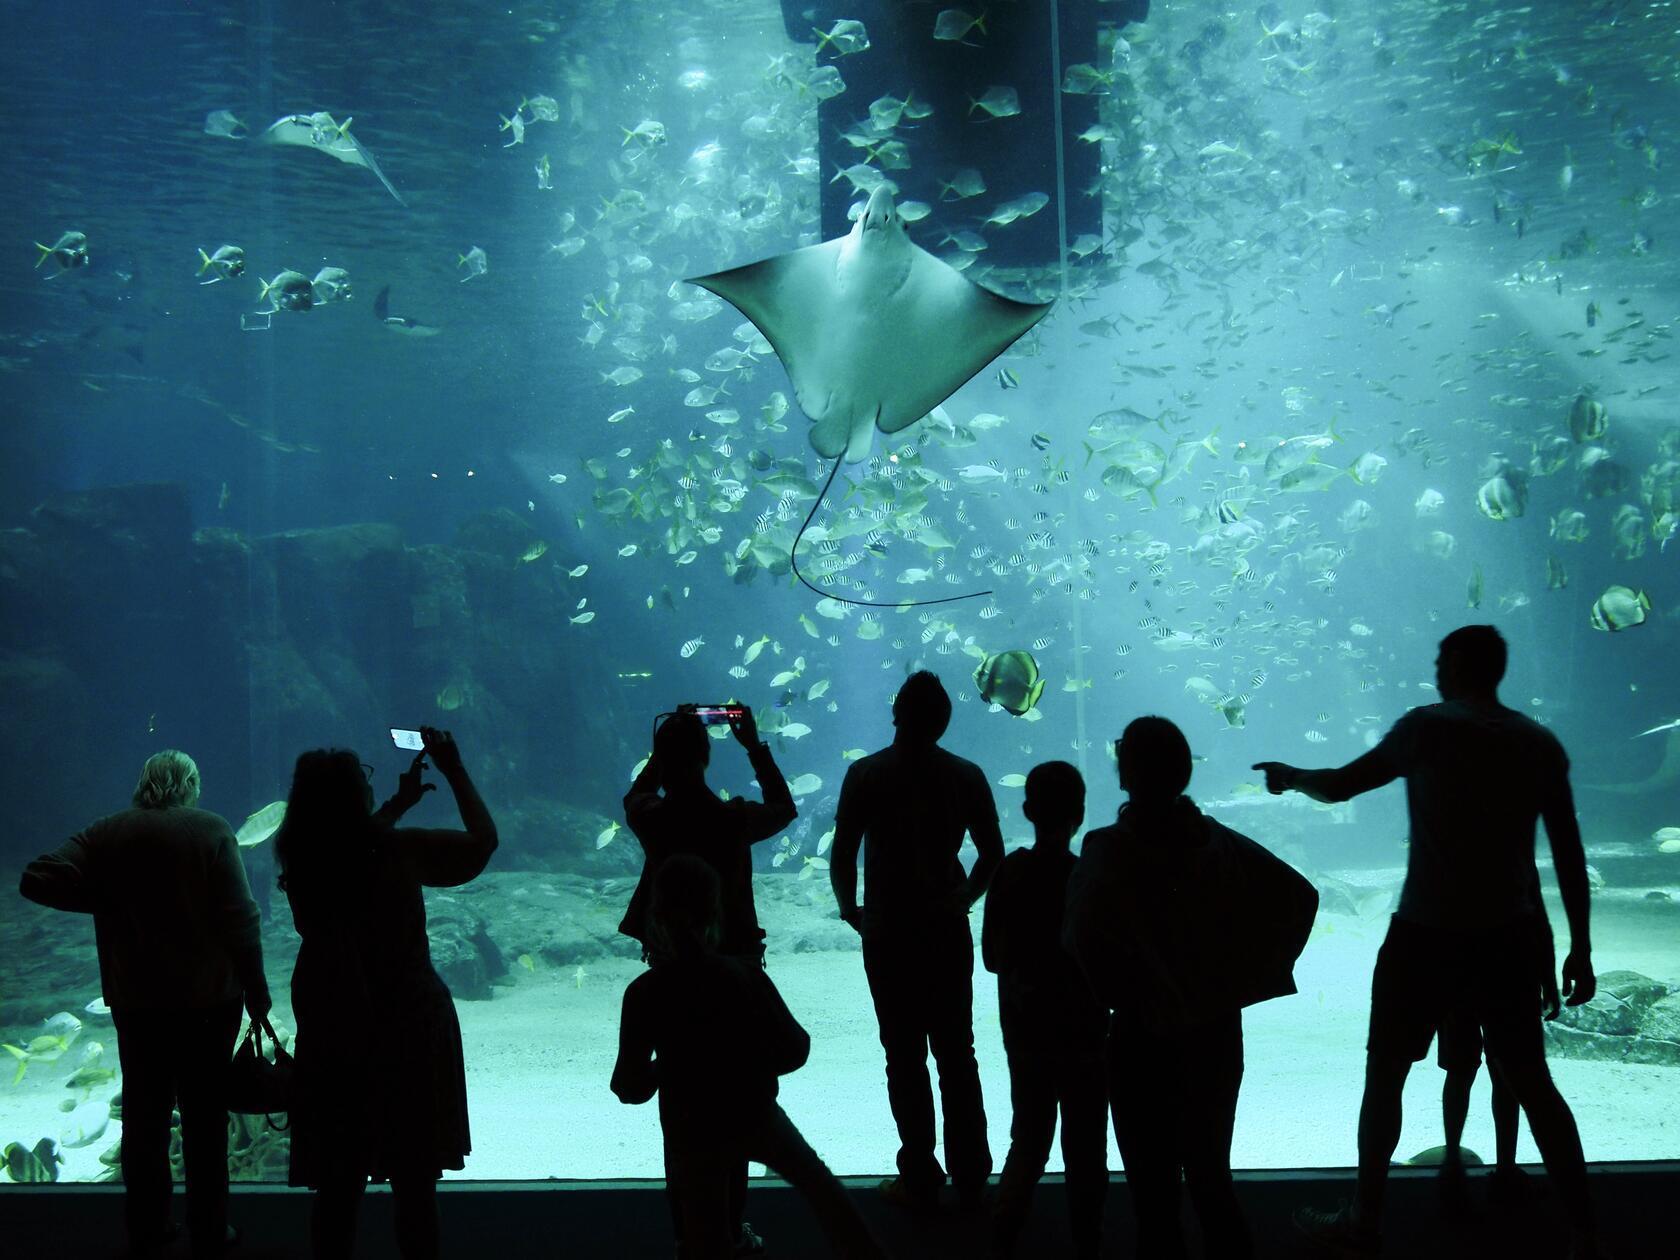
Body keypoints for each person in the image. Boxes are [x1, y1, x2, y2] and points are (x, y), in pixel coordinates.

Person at [1254, 625, 1604, 1260]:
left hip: (1425, 933)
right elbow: (1566, 855)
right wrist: (1575, 944)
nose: (1436, 668)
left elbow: (1339, 785)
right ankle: (1585, 1232)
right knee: (1532, 1081)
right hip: (1507, 935)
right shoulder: (1537, 742)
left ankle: (1365, 1220)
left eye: (1443, 659)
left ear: (1460, 666)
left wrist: (1290, 776)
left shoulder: (1426, 727)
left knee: (1385, 1076)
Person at [1065, 716, 1317, 1260]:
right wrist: (1251, 979)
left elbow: (1080, 935)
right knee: (1211, 1183)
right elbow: (1300, 897)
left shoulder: (1107, 848)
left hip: (1140, 1038)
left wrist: (1119, 993)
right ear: (1183, 772)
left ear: (1125, 773)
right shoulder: (1220, 843)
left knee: (1154, 1203)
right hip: (1215, 1034)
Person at [20, 749, 269, 1259]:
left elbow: (37, 877)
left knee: (144, 1119)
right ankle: (209, 1229)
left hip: (138, 1002)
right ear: (190, 784)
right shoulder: (211, 828)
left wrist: (109, 898)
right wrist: (257, 986)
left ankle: (148, 1230)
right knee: (204, 1119)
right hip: (209, 1000)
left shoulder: (108, 831)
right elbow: (240, 917)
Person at [276, 726, 497, 1260]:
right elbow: (482, 842)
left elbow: (347, 845)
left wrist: (397, 803)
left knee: (338, 1186)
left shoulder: (304, 861)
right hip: (408, 1024)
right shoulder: (399, 851)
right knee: (415, 1184)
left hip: (335, 1027)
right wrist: (454, 767)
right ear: (357, 797)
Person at [612, 854, 890, 1260]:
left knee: (705, 1241)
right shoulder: (744, 974)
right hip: (755, 1113)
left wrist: (670, 1064)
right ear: (715, 912)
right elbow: (795, 1050)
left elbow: (629, 1088)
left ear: (654, 916)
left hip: (691, 1128)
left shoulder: (643, 993)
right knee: (825, 1196)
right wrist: (745, 1060)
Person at [619, 703, 796, 1255]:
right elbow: (783, 808)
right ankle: (730, 1226)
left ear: (664, 764)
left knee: (683, 1117)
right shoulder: (731, 819)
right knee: (736, 1111)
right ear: (706, 756)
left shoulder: (654, 817)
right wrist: (755, 746)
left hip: (671, 973)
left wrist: (662, 754)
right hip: (736, 967)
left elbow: (635, 796)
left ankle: (690, 1236)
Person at [829, 670, 1004, 1211]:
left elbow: (843, 854)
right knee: (958, 1052)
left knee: (902, 1053)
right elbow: (992, 854)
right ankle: (973, 1174)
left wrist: (851, 911)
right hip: (944, 927)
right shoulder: (966, 775)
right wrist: (965, 899)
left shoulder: (865, 774)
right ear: (944, 721)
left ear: (896, 713)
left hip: (888, 930)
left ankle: (920, 1174)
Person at [980, 761, 1108, 1260]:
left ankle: (1000, 1242)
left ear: (1027, 810)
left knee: (1028, 1141)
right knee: (1087, 1151)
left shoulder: (1009, 872)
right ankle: (1088, 1245)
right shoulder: (1085, 877)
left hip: (1028, 1035)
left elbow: (992, 958)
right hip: (1085, 1038)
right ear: (1080, 814)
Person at [1435, 911, 1558, 1217]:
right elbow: (1534, 910)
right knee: (1507, 1074)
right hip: (1511, 960)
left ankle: (1452, 1166)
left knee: (1459, 1070)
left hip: (1453, 959)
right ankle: (1506, 1170)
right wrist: (1548, 976)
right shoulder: (1516, 864)